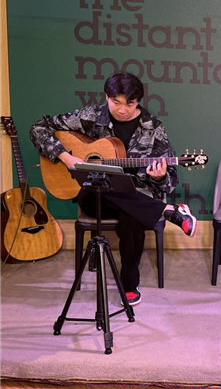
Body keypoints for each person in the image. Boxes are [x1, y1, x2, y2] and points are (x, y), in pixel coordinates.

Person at [30, 72, 197, 306]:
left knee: (133, 218)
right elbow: (39, 128)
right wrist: (66, 157)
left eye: (130, 103)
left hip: (136, 196)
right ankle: (168, 210)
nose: (122, 110)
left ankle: (129, 285)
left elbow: (170, 181)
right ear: (106, 97)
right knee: (97, 189)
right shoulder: (91, 116)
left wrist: (159, 177)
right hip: (96, 194)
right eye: (116, 102)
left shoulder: (153, 127)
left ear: (138, 101)